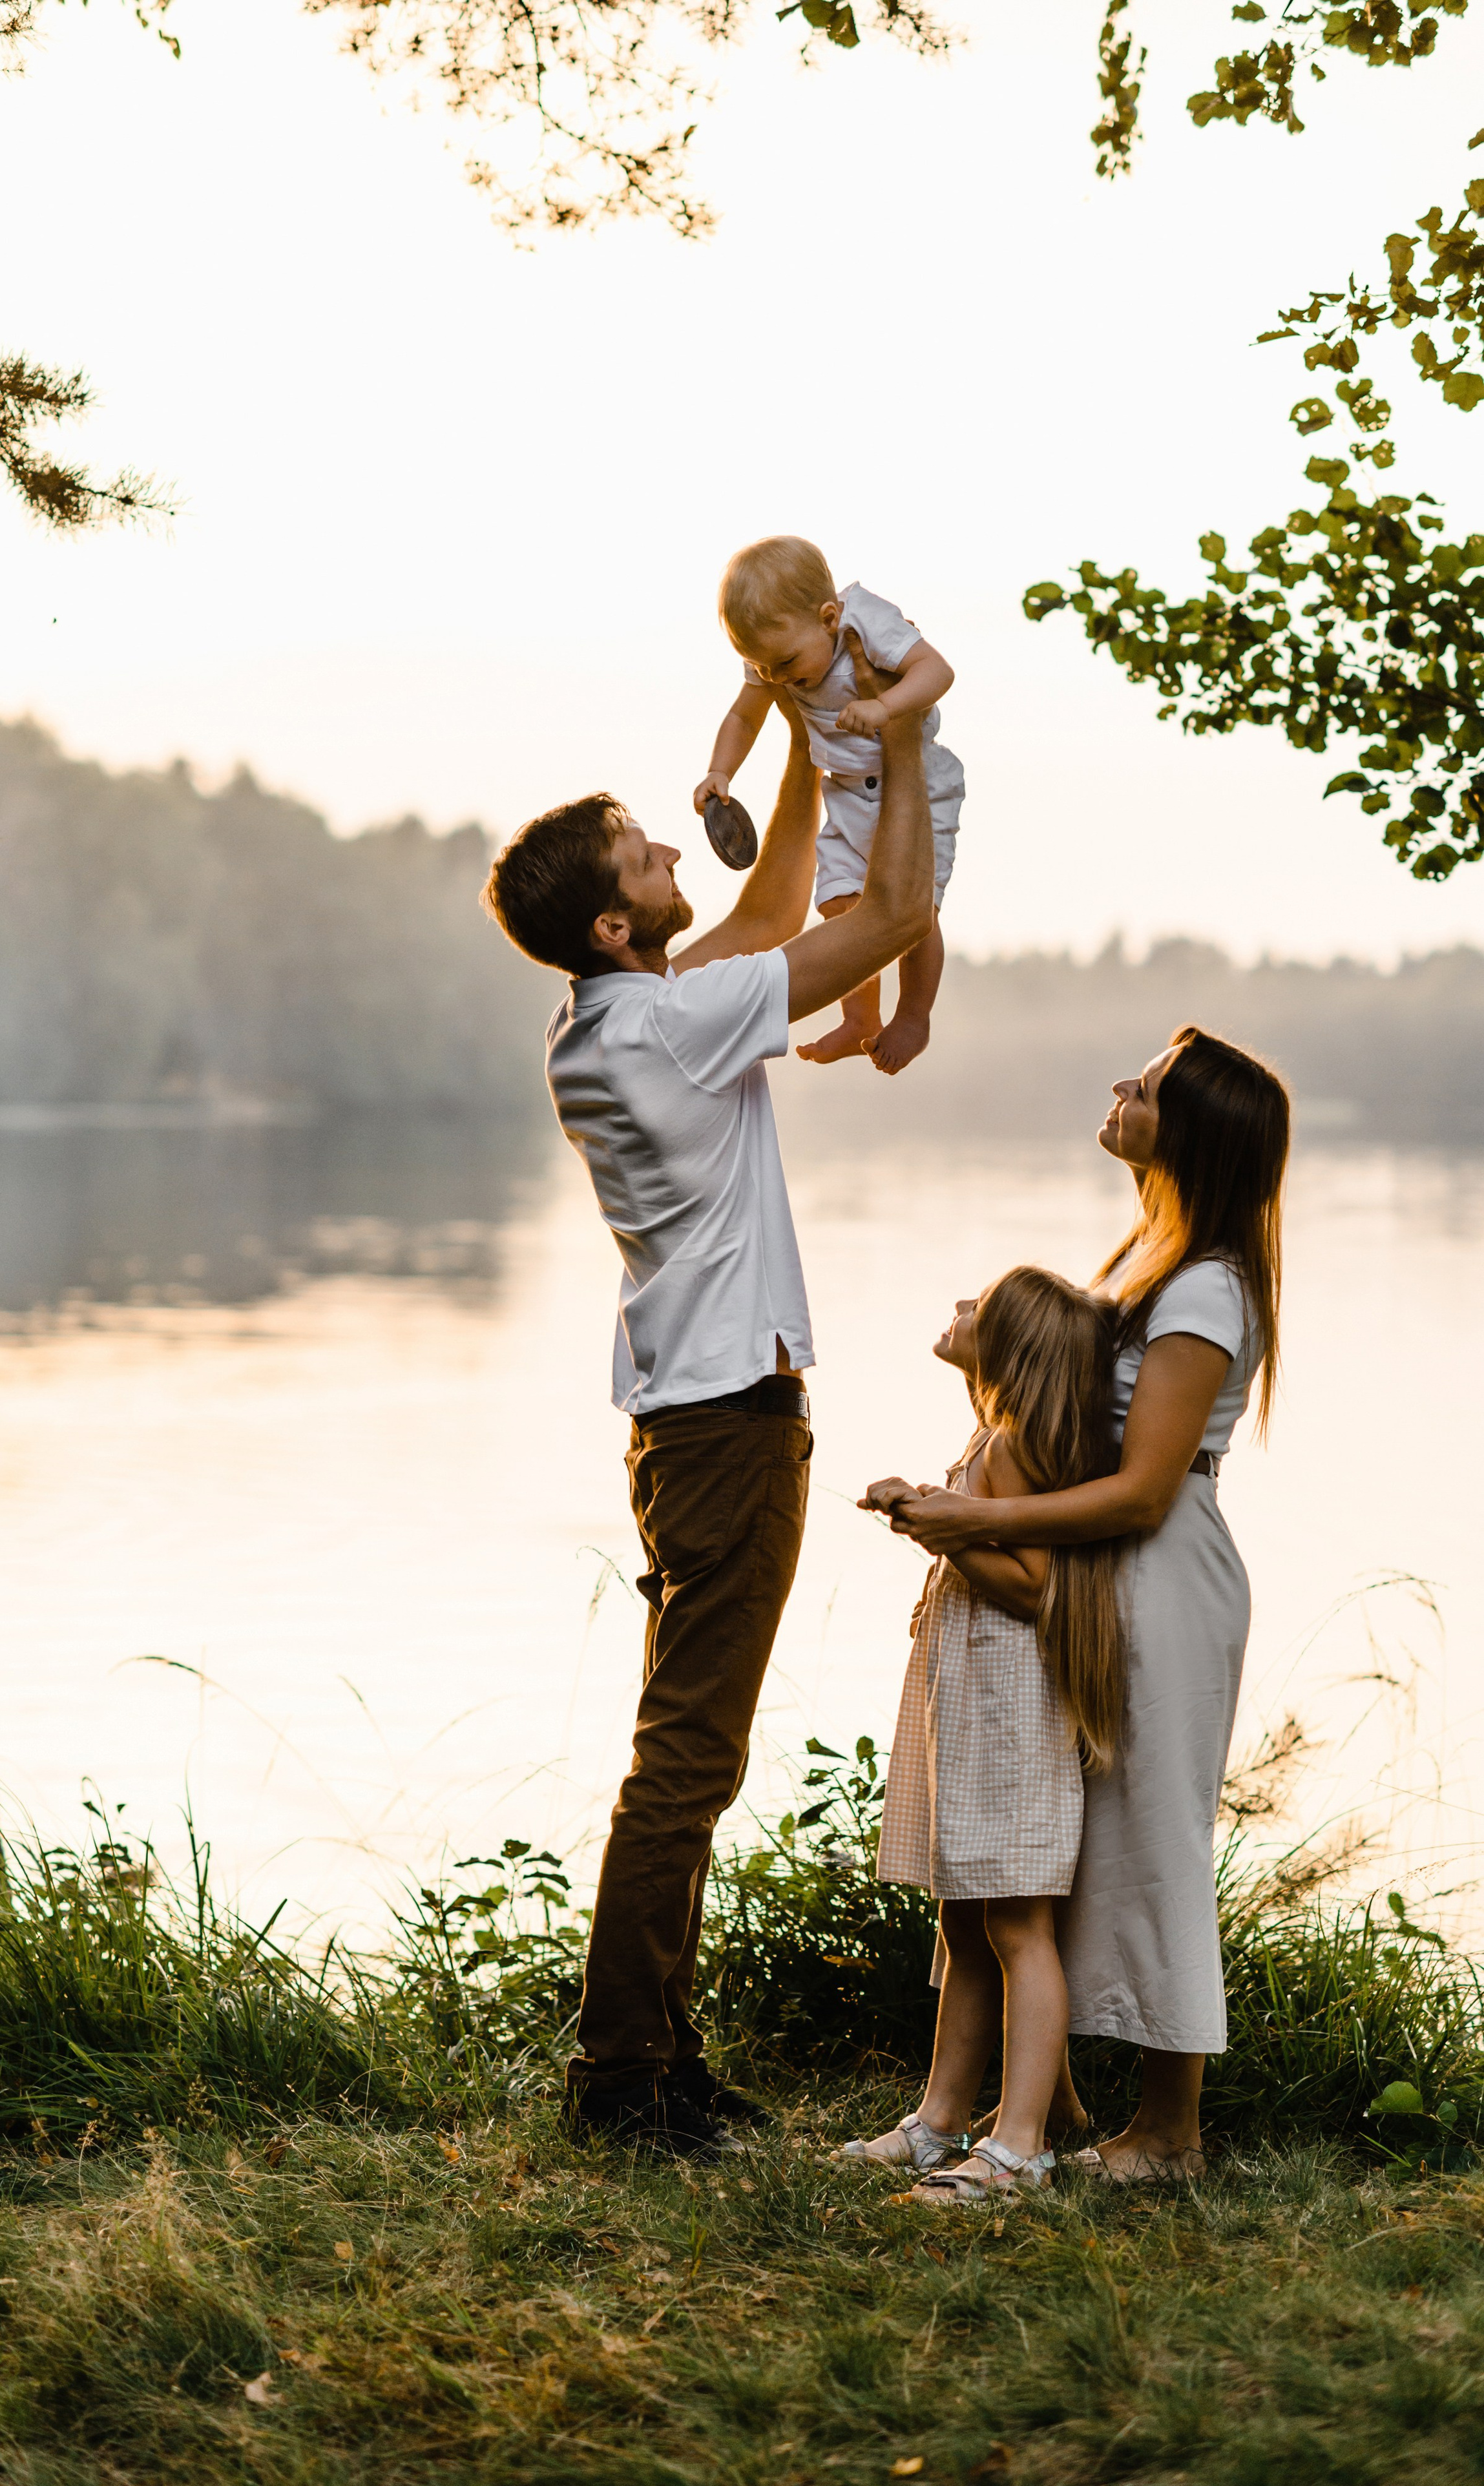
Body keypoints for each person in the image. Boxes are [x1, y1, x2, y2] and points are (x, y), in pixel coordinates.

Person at [481, 650, 935, 2159]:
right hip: (726, 1428)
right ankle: (622, 2082)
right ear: (613, 925)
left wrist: (805, 732)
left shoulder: (616, 1017)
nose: (671, 849)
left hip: (691, 1424)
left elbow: (772, 903)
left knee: (687, 1752)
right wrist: (896, 731)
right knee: (686, 1759)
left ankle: (659, 2062)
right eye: (640, 853)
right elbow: (884, 915)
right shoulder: (668, 1024)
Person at [877, 1028, 1290, 2183]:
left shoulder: (1206, 1286)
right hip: (1099, 1570)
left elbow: (1146, 1485)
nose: (1121, 1088)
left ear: (1190, 1131)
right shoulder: (1151, 1256)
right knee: (1061, 1839)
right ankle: (1039, 2103)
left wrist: (970, 1523)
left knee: (1155, 1841)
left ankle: (1168, 2132)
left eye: (1146, 1088)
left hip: (1160, 1574)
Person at [842, 1268, 1126, 2203]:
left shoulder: (1009, 1451)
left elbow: (1039, 1589)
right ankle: (939, 2121)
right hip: (973, 1707)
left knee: (1015, 1924)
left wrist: (943, 1532)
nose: (960, 1305)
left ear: (1007, 1349)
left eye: (980, 1308)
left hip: (1011, 1713)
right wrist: (927, 1508)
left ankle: (1020, 2145)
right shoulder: (990, 1438)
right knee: (964, 1917)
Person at [694, 535, 965, 1074]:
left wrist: (887, 707)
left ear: (828, 618)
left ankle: (914, 1016)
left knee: (914, 910)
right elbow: (744, 716)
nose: (776, 679)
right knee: (841, 902)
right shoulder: (775, 656)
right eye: (762, 668)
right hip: (846, 790)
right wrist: (720, 771)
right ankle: (860, 1016)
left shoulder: (867, 622)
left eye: (785, 663)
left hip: (918, 783)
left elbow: (937, 672)